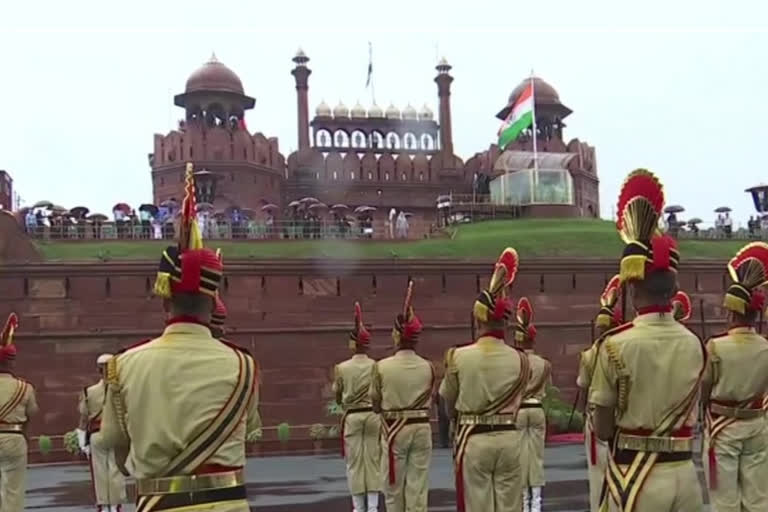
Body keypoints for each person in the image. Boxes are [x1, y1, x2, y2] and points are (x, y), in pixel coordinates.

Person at [100, 163, 261, 512]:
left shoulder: (125, 365)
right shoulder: (243, 366)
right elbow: (250, 429)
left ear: (165, 297)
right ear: (214, 300)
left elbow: (113, 441)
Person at [590, 169, 705, 512]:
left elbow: (602, 423)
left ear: (632, 283)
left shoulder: (614, 345)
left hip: (636, 478)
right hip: (686, 476)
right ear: (674, 288)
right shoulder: (695, 344)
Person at [440, 248, 531, 512]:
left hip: (474, 439)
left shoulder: (458, 356)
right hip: (509, 438)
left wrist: (456, 422)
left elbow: (448, 401)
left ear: (479, 318)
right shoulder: (522, 360)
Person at [702, 242, 768, 511]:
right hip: (758, 424)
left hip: (723, 424)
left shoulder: (716, 346)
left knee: (725, 500)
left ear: (731, 311)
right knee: (758, 499)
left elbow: (705, 385)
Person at [370, 281, 434, 512]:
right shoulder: (428, 367)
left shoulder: (382, 366)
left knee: (393, 486)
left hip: (394, 428)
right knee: (417, 486)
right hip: (421, 427)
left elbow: (375, 402)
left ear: (397, 335)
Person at [577, 275, 622, 512]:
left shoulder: (589, 354)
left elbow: (584, 389)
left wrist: (586, 416)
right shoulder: (624, 350)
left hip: (596, 417)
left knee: (598, 477)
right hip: (622, 417)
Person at [333, 303, 381, 512]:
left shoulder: (342, 368)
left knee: (354, 463)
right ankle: (372, 506)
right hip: (372, 415)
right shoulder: (376, 366)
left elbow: (337, 394)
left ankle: (358, 507)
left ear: (353, 344)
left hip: (352, 416)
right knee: (373, 459)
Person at [514, 298, 551, 512]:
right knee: (536, 458)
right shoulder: (544, 364)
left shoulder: (514, 361)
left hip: (518, 411)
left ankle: (522, 504)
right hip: (537, 409)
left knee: (519, 458)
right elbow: (547, 388)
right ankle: (536, 504)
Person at [77, 354, 127, 512]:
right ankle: (115, 505)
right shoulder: (120, 389)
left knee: (99, 471)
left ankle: (103, 506)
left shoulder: (89, 391)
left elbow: (84, 416)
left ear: (98, 369)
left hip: (97, 433)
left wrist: (81, 439)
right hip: (115, 433)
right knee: (115, 470)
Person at [0, 313, 38, 512]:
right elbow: (32, 413)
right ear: (11, 363)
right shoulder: (24, 388)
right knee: (13, 489)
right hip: (14, 438)